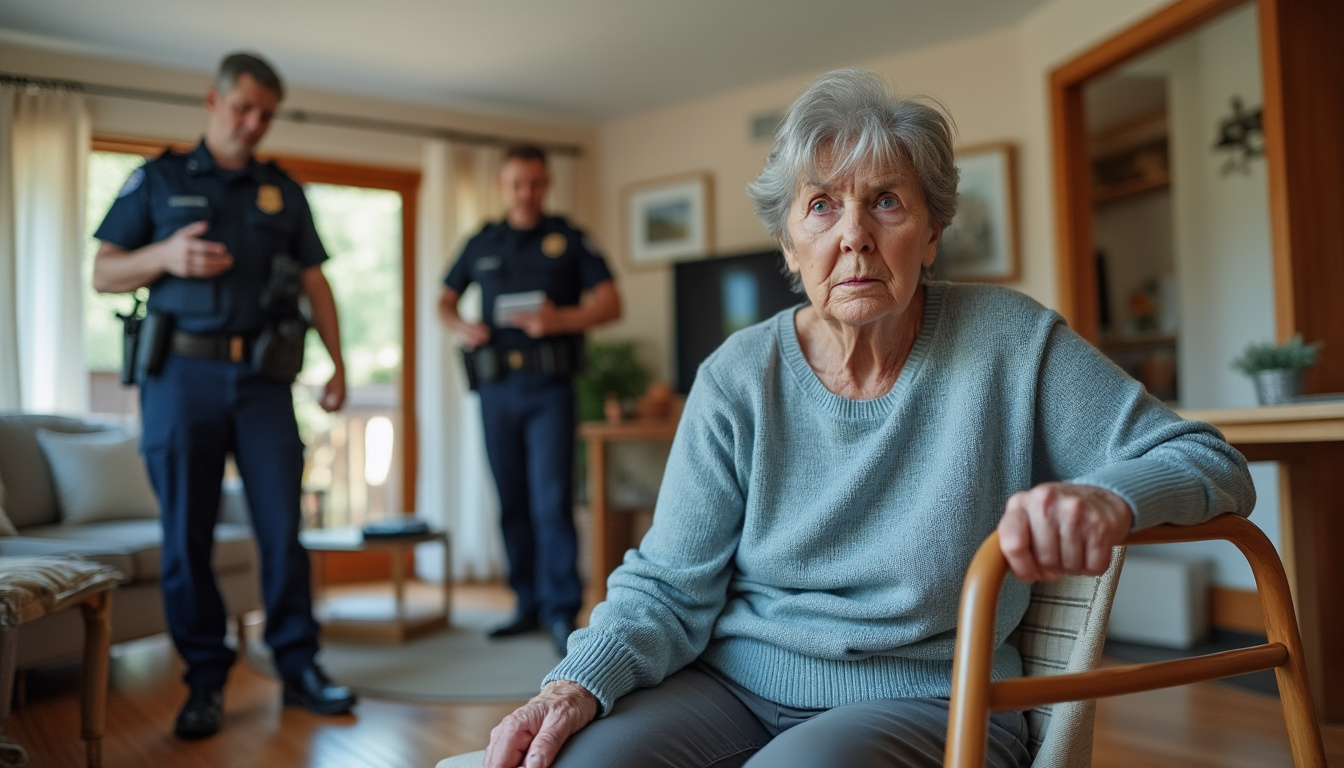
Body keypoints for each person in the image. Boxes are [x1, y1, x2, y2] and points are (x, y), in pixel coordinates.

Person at [479, 69, 1256, 768]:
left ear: (932, 233)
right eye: (821, 207)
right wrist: (574, 685)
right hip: (729, 685)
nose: (853, 234)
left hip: (927, 699)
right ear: (790, 247)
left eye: (885, 201)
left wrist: (1109, 496)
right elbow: (667, 586)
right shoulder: (737, 377)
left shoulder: (1011, 343)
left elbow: (1208, 460)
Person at [91, 51, 356, 739]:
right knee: (187, 536)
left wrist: (338, 361)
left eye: (265, 114)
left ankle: (299, 668)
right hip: (181, 379)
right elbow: (104, 271)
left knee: (281, 531)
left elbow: (314, 281)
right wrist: (164, 257)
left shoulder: (281, 191)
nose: (254, 124)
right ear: (213, 101)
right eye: (243, 108)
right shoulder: (159, 177)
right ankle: (205, 680)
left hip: (265, 383)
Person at [439, 146, 622, 656]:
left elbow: (611, 303)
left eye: (536, 184)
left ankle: (561, 609)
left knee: (551, 500)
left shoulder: (567, 239)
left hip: (549, 391)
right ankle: (525, 603)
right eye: (518, 184)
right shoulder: (483, 241)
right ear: (503, 184)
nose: (527, 193)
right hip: (496, 389)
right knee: (511, 499)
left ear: (547, 184)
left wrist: (557, 320)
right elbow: (444, 299)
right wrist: (462, 326)